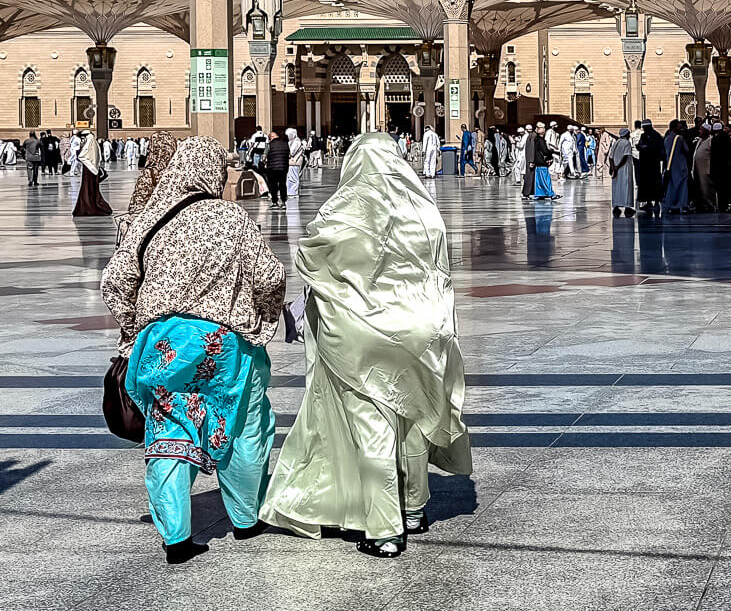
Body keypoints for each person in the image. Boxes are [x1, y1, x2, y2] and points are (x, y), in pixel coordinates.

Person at [262, 133, 472, 558]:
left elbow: (310, 257)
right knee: (412, 417)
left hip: (362, 334)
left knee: (373, 423)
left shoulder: (345, 208)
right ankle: (414, 507)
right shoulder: (424, 209)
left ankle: (384, 527)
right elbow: (441, 271)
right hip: (420, 330)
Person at [101, 135, 286, 565]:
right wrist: (264, 318)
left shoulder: (148, 221)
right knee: (242, 424)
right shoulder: (231, 218)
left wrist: (134, 330)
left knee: (169, 430)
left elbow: (115, 281)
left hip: (162, 343)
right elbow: (270, 276)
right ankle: (245, 519)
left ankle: (177, 539)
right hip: (224, 343)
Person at [73, 126, 113, 217]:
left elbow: (81, 156)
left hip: (88, 170)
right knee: (91, 189)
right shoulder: (94, 143)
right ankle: (91, 205)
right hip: (93, 169)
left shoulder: (89, 143)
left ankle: (88, 207)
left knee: (87, 189)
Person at [634, 120, 665, 216]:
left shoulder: (656, 136)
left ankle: (656, 202)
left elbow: (659, 149)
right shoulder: (643, 136)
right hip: (645, 164)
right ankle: (648, 202)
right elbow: (641, 145)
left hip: (653, 165)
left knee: (654, 183)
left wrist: (647, 148)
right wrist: (640, 147)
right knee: (645, 184)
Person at [661, 119, 691, 215]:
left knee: (672, 185)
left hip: (670, 167)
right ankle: (682, 205)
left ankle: (672, 205)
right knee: (682, 186)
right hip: (680, 166)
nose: (681, 128)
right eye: (679, 127)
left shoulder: (667, 138)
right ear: (674, 128)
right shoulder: (679, 138)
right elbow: (687, 150)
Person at [607, 127, 636, 216]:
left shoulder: (616, 142)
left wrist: (613, 167)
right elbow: (626, 156)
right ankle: (627, 207)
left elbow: (610, 157)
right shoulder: (627, 143)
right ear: (626, 135)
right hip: (624, 169)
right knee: (626, 187)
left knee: (617, 188)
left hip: (616, 169)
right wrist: (617, 167)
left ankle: (616, 206)